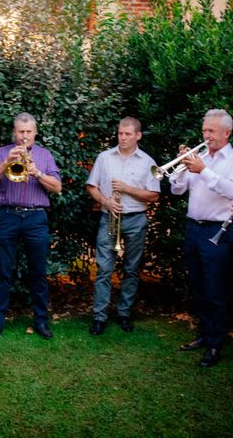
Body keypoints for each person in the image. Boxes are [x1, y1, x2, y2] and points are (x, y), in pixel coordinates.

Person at [170, 109, 233, 367]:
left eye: (212, 131)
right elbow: (176, 188)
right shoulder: (200, 157)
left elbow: (232, 190)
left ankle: (215, 344)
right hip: (194, 228)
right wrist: (182, 167)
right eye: (205, 130)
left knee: (215, 288)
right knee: (198, 286)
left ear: (227, 133)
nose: (206, 135)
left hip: (218, 230)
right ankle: (205, 334)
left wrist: (203, 170)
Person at [0, 112, 62, 340]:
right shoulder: (1, 153)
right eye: (21, 131)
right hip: (7, 216)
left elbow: (57, 187)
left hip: (36, 219)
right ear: (14, 132)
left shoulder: (45, 155)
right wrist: (7, 163)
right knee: (2, 272)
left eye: (28, 132)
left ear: (35, 133)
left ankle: (41, 321)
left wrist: (37, 172)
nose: (24, 136)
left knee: (38, 273)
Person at [86, 117, 160, 335]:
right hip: (109, 216)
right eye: (120, 133)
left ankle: (124, 313)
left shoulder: (148, 162)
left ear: (138, 135)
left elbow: (154, 195)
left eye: (128, 134)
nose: (123, 137)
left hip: (136, 219)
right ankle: (99, 316)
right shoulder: (104, 157)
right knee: (104, 269)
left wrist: (127, 189)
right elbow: (91, 186)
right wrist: (106, 201)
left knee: (131, 269)